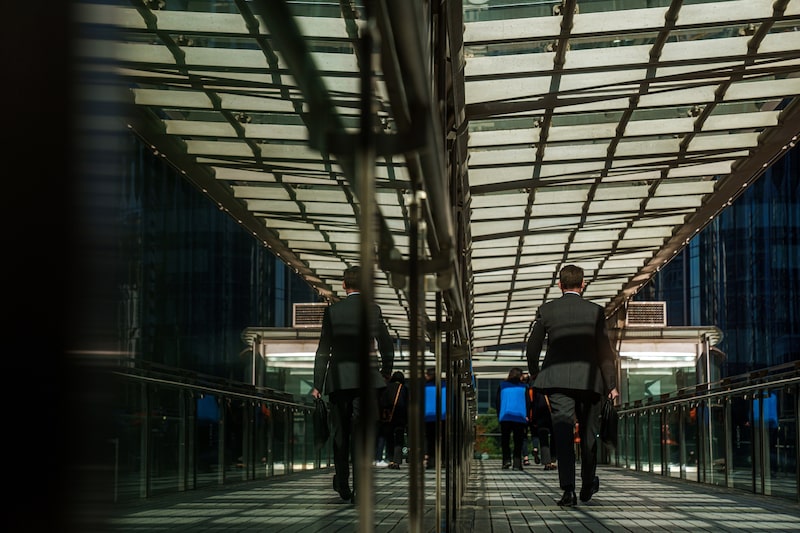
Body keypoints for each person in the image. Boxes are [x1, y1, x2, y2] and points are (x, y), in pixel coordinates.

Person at [525, 264, 619, 507]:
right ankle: (588, 483)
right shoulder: (596, 312)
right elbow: (605, 352)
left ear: (559, 284)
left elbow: (532, 348)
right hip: (591, 382)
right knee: (589, 436)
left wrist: (537, 375)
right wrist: (611, 384)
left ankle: (568, 491)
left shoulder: (547, 310)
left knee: (564, 433)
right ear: (583, 283)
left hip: (556, 381)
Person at [311, 265, 394, 503]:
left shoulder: (333, 312)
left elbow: (323, 350)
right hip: (367, 382)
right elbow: (386, 344)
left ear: (344, 285)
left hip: (338, 381)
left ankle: (343, 483)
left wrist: (318, 383)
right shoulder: (373, 310)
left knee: (341, 434)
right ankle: (359, 489)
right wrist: (386, 371)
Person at [495, 367, 530, 470]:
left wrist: (499, 414)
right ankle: (517, 463)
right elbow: (528, 403)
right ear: (520, 376)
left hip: (505, 415)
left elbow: (497, 401)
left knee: (505, 440)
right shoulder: (524, 387)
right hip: (520, 416)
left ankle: (506, 460)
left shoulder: (502, 386)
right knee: (518, 441)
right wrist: (527, 415)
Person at [380, 370, 408, 469]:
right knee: (399, 440)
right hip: (400, 419)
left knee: (389, 439)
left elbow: (382, 402)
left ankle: (390, 459)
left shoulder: (386, 388)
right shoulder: (403, 389)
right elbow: (406, 405)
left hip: (388, 418)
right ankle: (397, 461)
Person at [529, 370, 556, 471]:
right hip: (553, 414)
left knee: (543, 438)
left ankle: (546, 462)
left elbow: (534, 403)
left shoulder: (537, 387)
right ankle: (553, 460)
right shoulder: (554, 385)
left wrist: (534, 419)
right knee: (555, 437)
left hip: (541, 415)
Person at [424, 366, 446, 470]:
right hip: (443, 416)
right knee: (443, 439)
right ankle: (444, 460)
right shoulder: (444, 386)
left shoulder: (425, 386)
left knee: (430, 440)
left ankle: (431, 461)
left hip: (429, 417)